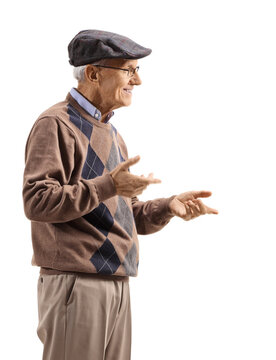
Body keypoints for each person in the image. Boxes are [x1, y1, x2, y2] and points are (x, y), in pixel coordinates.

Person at [22, 30, 218, 360]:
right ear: (93, 73)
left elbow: (124, 211)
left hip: (115, 282)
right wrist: (109, 185)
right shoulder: (56, 124)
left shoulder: (112, 133)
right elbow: (37, 200)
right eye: (128, 69)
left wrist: (168, 206)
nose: (137, 81)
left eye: (137, 70)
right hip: (77, 283)